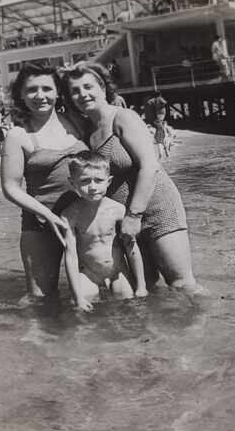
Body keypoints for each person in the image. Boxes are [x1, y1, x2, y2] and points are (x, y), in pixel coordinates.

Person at [62, 63, 203, 292]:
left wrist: (134, 215)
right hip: (122, 215)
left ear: (102, 88)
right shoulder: (87, 130)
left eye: (88, 87)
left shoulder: (123, 117)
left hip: (156, 207)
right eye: (75, 91)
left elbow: (150, 166)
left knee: (181, 283)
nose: (82, 94)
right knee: (147, 288)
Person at [0, 64, 87, 299]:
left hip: (84, 219)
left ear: (58, 91)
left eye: (47, 88)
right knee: (41, 300)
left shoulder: (77, 122)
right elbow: (10, 187)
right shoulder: (18, 135)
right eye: (32, 90)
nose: (40, 96)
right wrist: (50, 217)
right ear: (20, 94)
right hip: (40, 225)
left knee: (93, 291)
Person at [62, 151, 147, 311]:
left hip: (117, 271)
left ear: (109, 181)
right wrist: (77, 297)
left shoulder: (118, 210)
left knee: (128, 303)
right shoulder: (70, 215)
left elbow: (132, 248)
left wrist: (141, 285)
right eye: (85, 181)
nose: (92, 187)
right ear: (72, 183)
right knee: (81, 306)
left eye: (99, 180)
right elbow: (70, 256)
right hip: (88, 273)